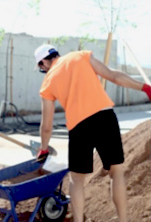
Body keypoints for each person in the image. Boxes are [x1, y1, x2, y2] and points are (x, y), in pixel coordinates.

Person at [34, 44, 151, 222]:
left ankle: (79, 220)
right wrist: (145, 88)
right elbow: (114, 76)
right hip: (105, 117)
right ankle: (123, 219)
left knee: (76, 180)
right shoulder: (81, 56)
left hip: (79, 126)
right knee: (116, 171)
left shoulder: (47, 83)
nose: (43, 70)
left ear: (43, 62)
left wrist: (43, 149)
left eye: (41, 67)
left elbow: (47, 126)